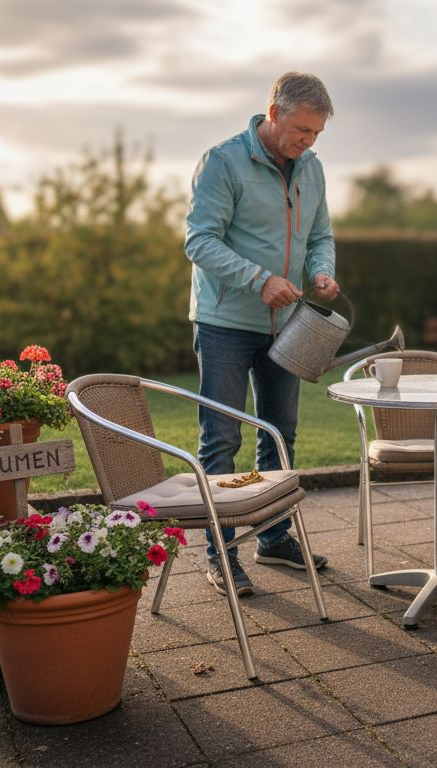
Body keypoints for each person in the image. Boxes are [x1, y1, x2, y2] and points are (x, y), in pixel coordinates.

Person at [184, 72, 338, 596]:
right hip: (226, 323)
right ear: (273, 113)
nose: (308, 141)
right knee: (221, 440)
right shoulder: (223, 161)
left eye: (316, 133)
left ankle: (273, 538)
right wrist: (260, 280)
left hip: (287, 328)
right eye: (301, 129)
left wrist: (320, 270)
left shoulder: (312, 169)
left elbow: (320, 234)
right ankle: (220, 554)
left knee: (280, 433)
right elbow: (199, 241)